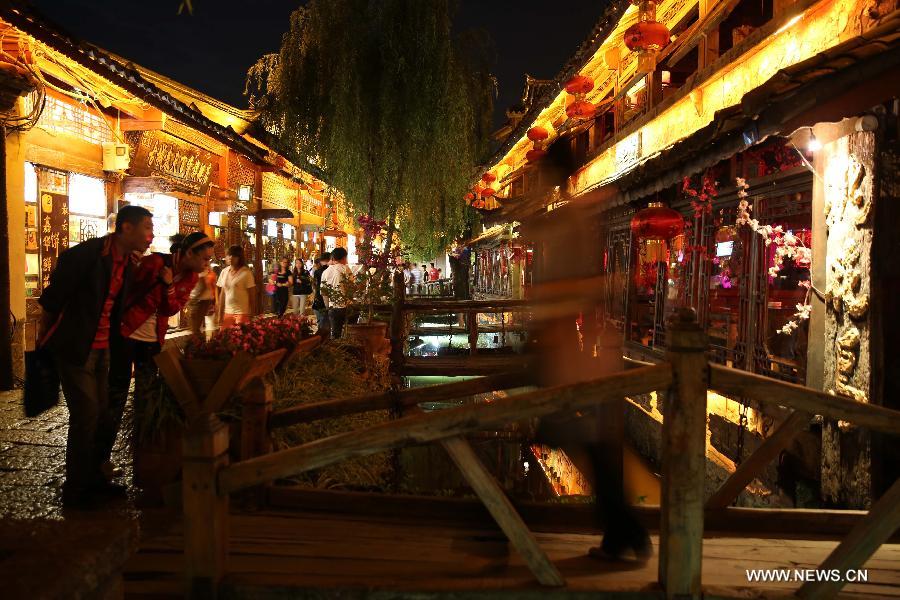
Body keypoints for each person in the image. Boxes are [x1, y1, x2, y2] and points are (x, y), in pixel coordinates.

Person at [38, 205, 154, 508]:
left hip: (103, 348)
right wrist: (45, 339)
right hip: (76, 346)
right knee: (87, 413)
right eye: (146, 228)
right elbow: (52, 299)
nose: (150, 236)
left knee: (102, 413)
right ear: (126, 228)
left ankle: (94, 478)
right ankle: (76, 490)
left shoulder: (127, 262)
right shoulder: (88, 255)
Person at [107, 232, 214, 481]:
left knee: (146, 397)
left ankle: (142, 455)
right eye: (205, 259)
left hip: (152, 340)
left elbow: (172, 308)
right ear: (188, 253)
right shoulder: (154, 262)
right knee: (116, 395)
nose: (207, 264)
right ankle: (102, 457)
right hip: (127, 333)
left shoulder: (190, 277)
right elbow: (126, 288)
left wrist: (168, 286)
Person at [216, 245, 257, 328]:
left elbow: (252, 295)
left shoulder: (246, 273)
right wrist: (220, 314)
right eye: (229, 255)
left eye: (234, 255)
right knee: (225, 338)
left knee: (239, 338)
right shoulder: (224, 272)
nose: (231, 257)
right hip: (227, 312)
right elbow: (222, 294)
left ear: (239, 258)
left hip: (242, 313)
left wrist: (252, 314)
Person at [321, 246, 353, 340]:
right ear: (344, 258)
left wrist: (328, 306)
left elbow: (324, 292)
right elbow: (352, 287)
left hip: (333, 307)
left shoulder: (326, 272)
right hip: (345, 305)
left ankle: (336, 351)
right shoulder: (345, 269)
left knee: (335, 333)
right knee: (348, 331)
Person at [187, 260, 217, 339]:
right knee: (196, 326)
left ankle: (199, 346)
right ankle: (200, 345)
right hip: (202, 299)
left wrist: (194, 298)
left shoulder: (201, 270)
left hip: (201, 300)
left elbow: (203, 286)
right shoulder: (204, 271)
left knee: (195, 327)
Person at [311, 252, 332, 337]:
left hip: (319, 299)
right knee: (327, 323)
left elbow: (315, 286)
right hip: (329, 299)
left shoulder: (317, 272)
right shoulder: (330, 270)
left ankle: (320, 340)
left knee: (321, 323)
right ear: (329, 259)